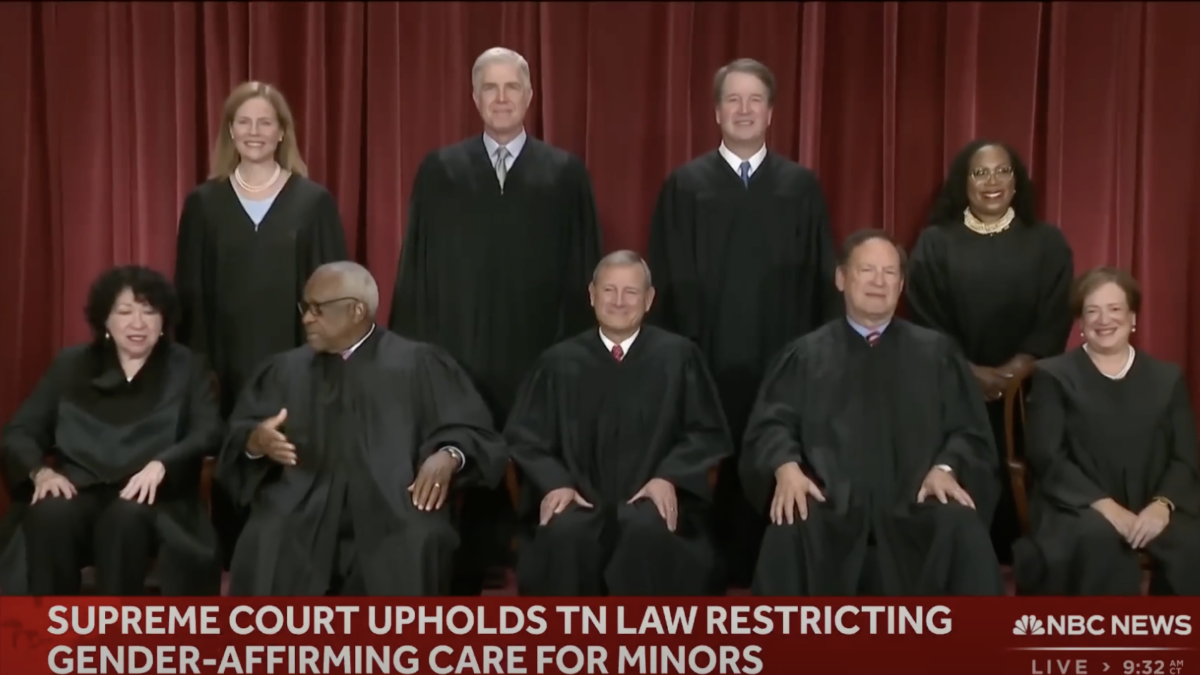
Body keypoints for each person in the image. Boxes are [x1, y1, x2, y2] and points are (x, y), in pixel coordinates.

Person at [388, 47, 603, 593]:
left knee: (538, 453)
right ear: (475, 97)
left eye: (512, 88)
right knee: (464, 442)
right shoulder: (441, 170)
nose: (502, 98)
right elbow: (418, 265)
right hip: (460, 346)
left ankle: (539, 562)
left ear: (530, 96)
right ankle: (466, 561)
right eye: (490, 88)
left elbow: (584, 266)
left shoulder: (564, 173)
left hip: (540, 345)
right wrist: (414, 354)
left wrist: (581, 349)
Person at [647, 58, 838, 587]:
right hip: (705, 356)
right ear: (716, 112)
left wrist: (819, 358)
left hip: (783, 357)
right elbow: (664, 278)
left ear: (772, 112)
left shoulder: (801, 187)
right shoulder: (685, 186)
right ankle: (705, 570)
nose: (744, 110)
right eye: (733, 99)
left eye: (755, 100)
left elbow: (823, 279)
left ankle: (772, 569)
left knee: (776, 452)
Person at [217, 262, 508, 595]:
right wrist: (255, 441)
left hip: (395, 503)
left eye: (317, 309)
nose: (306, 318)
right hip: (303, 502)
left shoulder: (419, 363)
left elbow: (473, 430)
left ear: (356, 310)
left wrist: (448, 455)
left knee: (422, 539)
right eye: (305, 307)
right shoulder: (285, 370)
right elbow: (240, 434)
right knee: (265, 536)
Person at [741, 230, 1005, 596]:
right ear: (841, 278)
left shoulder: (937, 355)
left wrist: (946, 469)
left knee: (960, 524)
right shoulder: (805, 357)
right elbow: (772, 424)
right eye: (867, 270)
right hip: (829, 506)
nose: (878, 282)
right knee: (790, 524)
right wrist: (786, 468)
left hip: (917, 503)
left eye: (889, 272)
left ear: (901, 285)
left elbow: (969, 430)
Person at [175, 81, 349, 568]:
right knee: (236, 454)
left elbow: (335, 290)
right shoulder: (204, 204)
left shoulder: (313, 202)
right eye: (244, 122)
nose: (254, 132)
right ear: (230, 131)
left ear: (281, 132)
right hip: (223, 363)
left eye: (265, 122)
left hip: (299, 362)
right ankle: (235, 559)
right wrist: (200, 373)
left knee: (296, 458)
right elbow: (189, 295)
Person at [506, 251, 732, 596]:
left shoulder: (678, 357)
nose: (619, 301)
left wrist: (668, 478)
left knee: (649, 532)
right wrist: (556, 483)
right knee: (565, 534)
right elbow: (525, 438)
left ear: (649, 299)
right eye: (609, 290)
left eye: (631, 292)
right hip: (578, 498)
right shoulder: (557, 363)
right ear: (592, 294)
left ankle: (647, 634)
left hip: (652, 501)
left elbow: (706, 433)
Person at [0, 266, 223, 595]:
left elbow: (209, 431)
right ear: (105, 320)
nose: (138, 323)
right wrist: (39, 473)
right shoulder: (71, 364)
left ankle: (115, 625)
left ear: (163, 320)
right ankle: (48, 623)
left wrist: (163, 464)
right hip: (81, 488)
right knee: (48, 513)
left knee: (124, 519)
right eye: (125, 312)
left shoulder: (188, 366)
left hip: (155, 498)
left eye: (149, 311)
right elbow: (20, 431)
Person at [906, 139, 1074, 563]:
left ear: (1016, 182)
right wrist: (969, 371)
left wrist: (1018, 369)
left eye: (1002, 171)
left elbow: (1056, 313)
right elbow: (924, 316)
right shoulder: (934, 244)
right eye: (980, 173)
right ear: (964, 184)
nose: (992, 181)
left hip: (1030, 391)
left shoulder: (1047, 242)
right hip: (954, 388)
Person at [1014, 267, 1200, 596]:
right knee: (1097, 541)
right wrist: (1107, 507)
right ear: (1081, 322)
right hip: (1078, 506)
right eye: (1092, 311)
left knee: (1191, 544)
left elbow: (1185, 456)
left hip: (1153, 501)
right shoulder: (1053, 376)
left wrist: (1161, 505)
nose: (1104, 320)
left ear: (1132, 318)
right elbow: (1048, 457)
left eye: (1114, 309)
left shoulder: (1167, 378)